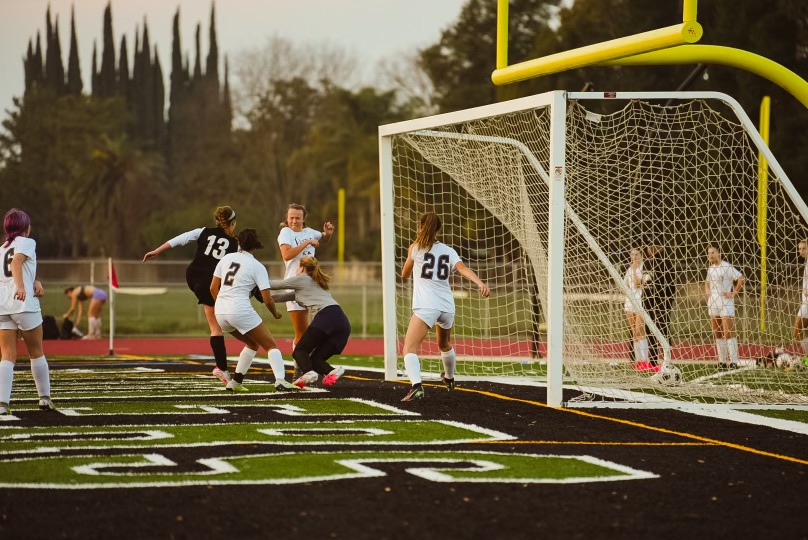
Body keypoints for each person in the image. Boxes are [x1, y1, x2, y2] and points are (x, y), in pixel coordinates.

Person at [142, 206, 240, 385]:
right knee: (217, 328)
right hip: (210, 284)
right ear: (233, 223)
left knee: (217, 324)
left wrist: (157, 250)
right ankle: (222, 369)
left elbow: (180, 239)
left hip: (193, 276)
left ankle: (222, 367)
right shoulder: (235, 243)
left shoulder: (203, 231)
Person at [399, 211, 490, 402]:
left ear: (421, 227)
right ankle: (449, 378)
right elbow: (462, 268)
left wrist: (412, 260)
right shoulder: (449, 250)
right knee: (444, 344)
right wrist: (480, 283)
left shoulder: (415, 248)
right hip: (447, 306)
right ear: (438, 229)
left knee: (409, 348)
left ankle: (416, 386)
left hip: (427, 306)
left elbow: (405, 274)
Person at [210, 228, 297, 392]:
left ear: (238, 242)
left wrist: (221, 305)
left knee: (252, 343)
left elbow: (213, 288)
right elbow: (267, 298)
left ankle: (236, 382)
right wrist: (275, 313)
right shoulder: (257, 266)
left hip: (220, 311)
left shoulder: (226, 258)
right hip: (239, 309)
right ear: (255, 246)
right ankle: (280, 380)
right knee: (271, 345)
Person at [0, 209, 54, 415]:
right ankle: (44, 398)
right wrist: (22, 287)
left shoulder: (2, 248)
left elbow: (8, 273)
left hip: (3, 305)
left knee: (7, 356)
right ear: (26, 228)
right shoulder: (27, 242)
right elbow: (16, 263)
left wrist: (34, 281)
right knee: (36, 351)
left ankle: (2, 404)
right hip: (23, 304)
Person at [269, 256, 349, 388]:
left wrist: (252, 281)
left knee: (299, 351)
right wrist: (261, 297)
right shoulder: (315, 282)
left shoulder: (302, 279)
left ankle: (309, 373)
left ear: (301, 268)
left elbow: (274, 285)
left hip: (326, 316)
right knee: (315, 360)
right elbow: (279, 297)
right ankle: (332, 371)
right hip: (342, 322)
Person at [277, 204, 335, 350]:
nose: (294, 221)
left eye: (298, 218)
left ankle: (311, 364)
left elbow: (323, 238)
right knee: (302, 334)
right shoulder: (286, 232)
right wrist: (307, 242)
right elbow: (287, 254)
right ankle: (299, 369)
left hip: (312, 285)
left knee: (318, 330)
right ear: (287, 218)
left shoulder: (309, 231)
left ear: (303, 219)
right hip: (295, 285)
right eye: (291, 218)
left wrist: (328, 234)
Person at [705, 244, 744, 368]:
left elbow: (741, 278)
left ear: (719, 253)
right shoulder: (710, 268)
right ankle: (722, 362)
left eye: (713, 252)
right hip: (713, 302)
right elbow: (707, 282)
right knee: (717, 333)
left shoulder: (726, 266)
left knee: (728, 332)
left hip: (725, 302)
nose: (710, 255)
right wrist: (707, 291)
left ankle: (734, 361)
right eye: (709, 253)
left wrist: (733, 293)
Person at [643, 242, 676, 366]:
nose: (650, 249)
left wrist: (666, 300)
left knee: (663, 328)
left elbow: (671, 285)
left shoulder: (665, 263)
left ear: (660, 248)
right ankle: (652, 361)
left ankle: (667, 359)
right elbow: (644, 282)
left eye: (653, 247)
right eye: (649, 247)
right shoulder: (646, 263)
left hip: (662, 301)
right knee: (649, 329)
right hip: (648, 301)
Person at [623, 248, 648, 364]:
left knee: (639, 330)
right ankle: (638, 360)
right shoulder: (629, 269)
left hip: (640, 301)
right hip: (629, 302)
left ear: (641, 255)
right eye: (632, 254)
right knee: (634, 332)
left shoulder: (643, 268)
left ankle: (645, 359)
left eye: (637, 254)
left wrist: (633, 270)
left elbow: (638, 283)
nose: (634, 257)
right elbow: (625, 285)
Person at [793, 240, 808, 355]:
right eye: (799, 249)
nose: (801, 251)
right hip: (805, 303)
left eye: (804, 248)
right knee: (797, 333)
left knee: (796, 333)